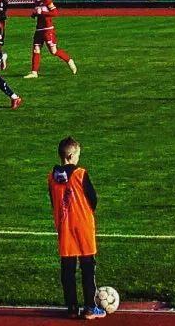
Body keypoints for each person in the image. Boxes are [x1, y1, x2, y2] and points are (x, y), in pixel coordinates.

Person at [49, 136, 103, 320]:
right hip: (83, 226)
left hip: (64, 227)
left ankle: (72, 308)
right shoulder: (80, 174)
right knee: (88, 268)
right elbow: (93, 199)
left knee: (68, 270)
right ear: (71, 155)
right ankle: (90, 308)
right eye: (78, 154)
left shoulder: (51, 177)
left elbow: (53, 202)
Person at [26, 0, 77, 78]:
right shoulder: (36, 2)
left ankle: (69, 60)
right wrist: (34, 15)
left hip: (48, 29)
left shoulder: (47, 1)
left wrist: (42, 12)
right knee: (36, 49)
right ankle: (34, 72)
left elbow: (55, 13)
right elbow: (39, 13)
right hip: (39, 29)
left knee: (53, 51)